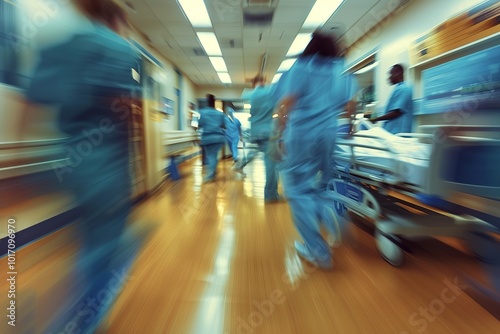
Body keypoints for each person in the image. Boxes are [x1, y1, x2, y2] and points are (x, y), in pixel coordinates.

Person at [19, 0, 142, 332]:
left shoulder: (59, 46)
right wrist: (136, 166)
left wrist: (27, 166)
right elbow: (127, 110)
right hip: (107, 169)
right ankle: (81, 323)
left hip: (67, 165)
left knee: (86, 237)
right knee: (103, 248)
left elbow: (29, 107)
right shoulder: (122, 50)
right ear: (115, 19)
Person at [272, 30, 358, 269]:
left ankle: (318, 251)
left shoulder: (301, 67)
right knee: (324, 183)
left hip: (301, 135)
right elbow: (351, 105)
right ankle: (330, 213)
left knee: (298, 191)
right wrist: (349, 123)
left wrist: (280, 131)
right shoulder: (342, 71)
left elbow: (286, 103)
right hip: (329, 134)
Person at [234, 75, 282, 202]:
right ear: (263, 82)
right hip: (268, 132)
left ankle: (241, 163)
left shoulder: (250, 93)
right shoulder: (270, 90)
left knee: (255, 152)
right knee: (271, 164)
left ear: (254, 84)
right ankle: (271, 195)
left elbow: (243, 96)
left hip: (255, 132)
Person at [370, 64, 413, 134]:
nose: (389, 78)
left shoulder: (404, 89)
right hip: (392, 132)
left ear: (398, 73)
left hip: (398, 134)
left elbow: (396, 113)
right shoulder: (399, 88)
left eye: (390, 74)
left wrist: (375, 119)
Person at [198, 94, 226, 183]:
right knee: (213, 156)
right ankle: (212, 173)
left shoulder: (202, 112)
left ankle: (210, 176)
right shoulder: (220, 113)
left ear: (206, 102)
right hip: (218, 138)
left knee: (210, 156)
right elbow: (223, 125)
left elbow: (199, 124)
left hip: (208, 137)